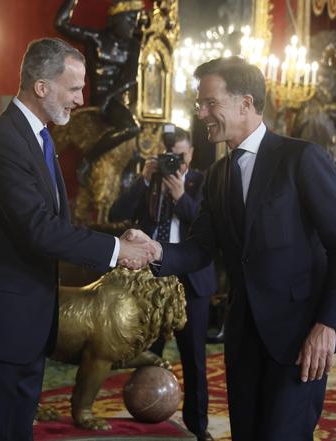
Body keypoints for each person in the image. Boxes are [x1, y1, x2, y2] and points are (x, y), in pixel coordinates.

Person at [126, 57, 336, 441]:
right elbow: (201, 248)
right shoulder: (218, 175)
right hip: (242, 339)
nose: (201, 113)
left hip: (299, 338)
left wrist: (329, 325)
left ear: (245, 102)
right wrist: (156, 251)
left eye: (209, 103)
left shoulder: (301, 158)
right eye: (199, 104)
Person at [0, 38, 155, 441]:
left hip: (27, 322)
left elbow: (54, 223)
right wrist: (117, 250)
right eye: (74, 87)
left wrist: (117, 239)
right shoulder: (2, 141)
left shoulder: (39, 139)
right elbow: (39, 229)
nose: (81, 99)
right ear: (41, 86)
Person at [109, 127, 217, 441]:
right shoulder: (149, 181)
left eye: (181, 157)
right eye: (169, 157)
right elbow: (117, 212)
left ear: (191, 154)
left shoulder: (203, 181)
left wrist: (182, 196)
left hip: (191, 282)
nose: (176, 164)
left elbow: (207, 226)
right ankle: (142, 422)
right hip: (150, 281)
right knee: (144, 352)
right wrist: (144, 179)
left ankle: (198, 427)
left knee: (194, 358)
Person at [55, 0, 142, 183]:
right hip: (99, 97)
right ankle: (86, 162)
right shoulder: (96, 38)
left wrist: (109, 97)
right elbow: (61, 24)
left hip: (117, 99)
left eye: (136, 18)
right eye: (131, 19)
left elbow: (130, 77)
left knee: (133, 130)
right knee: (131, 127)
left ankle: (88, 159)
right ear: (116, 19)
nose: (134, 24)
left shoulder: (133, 45)